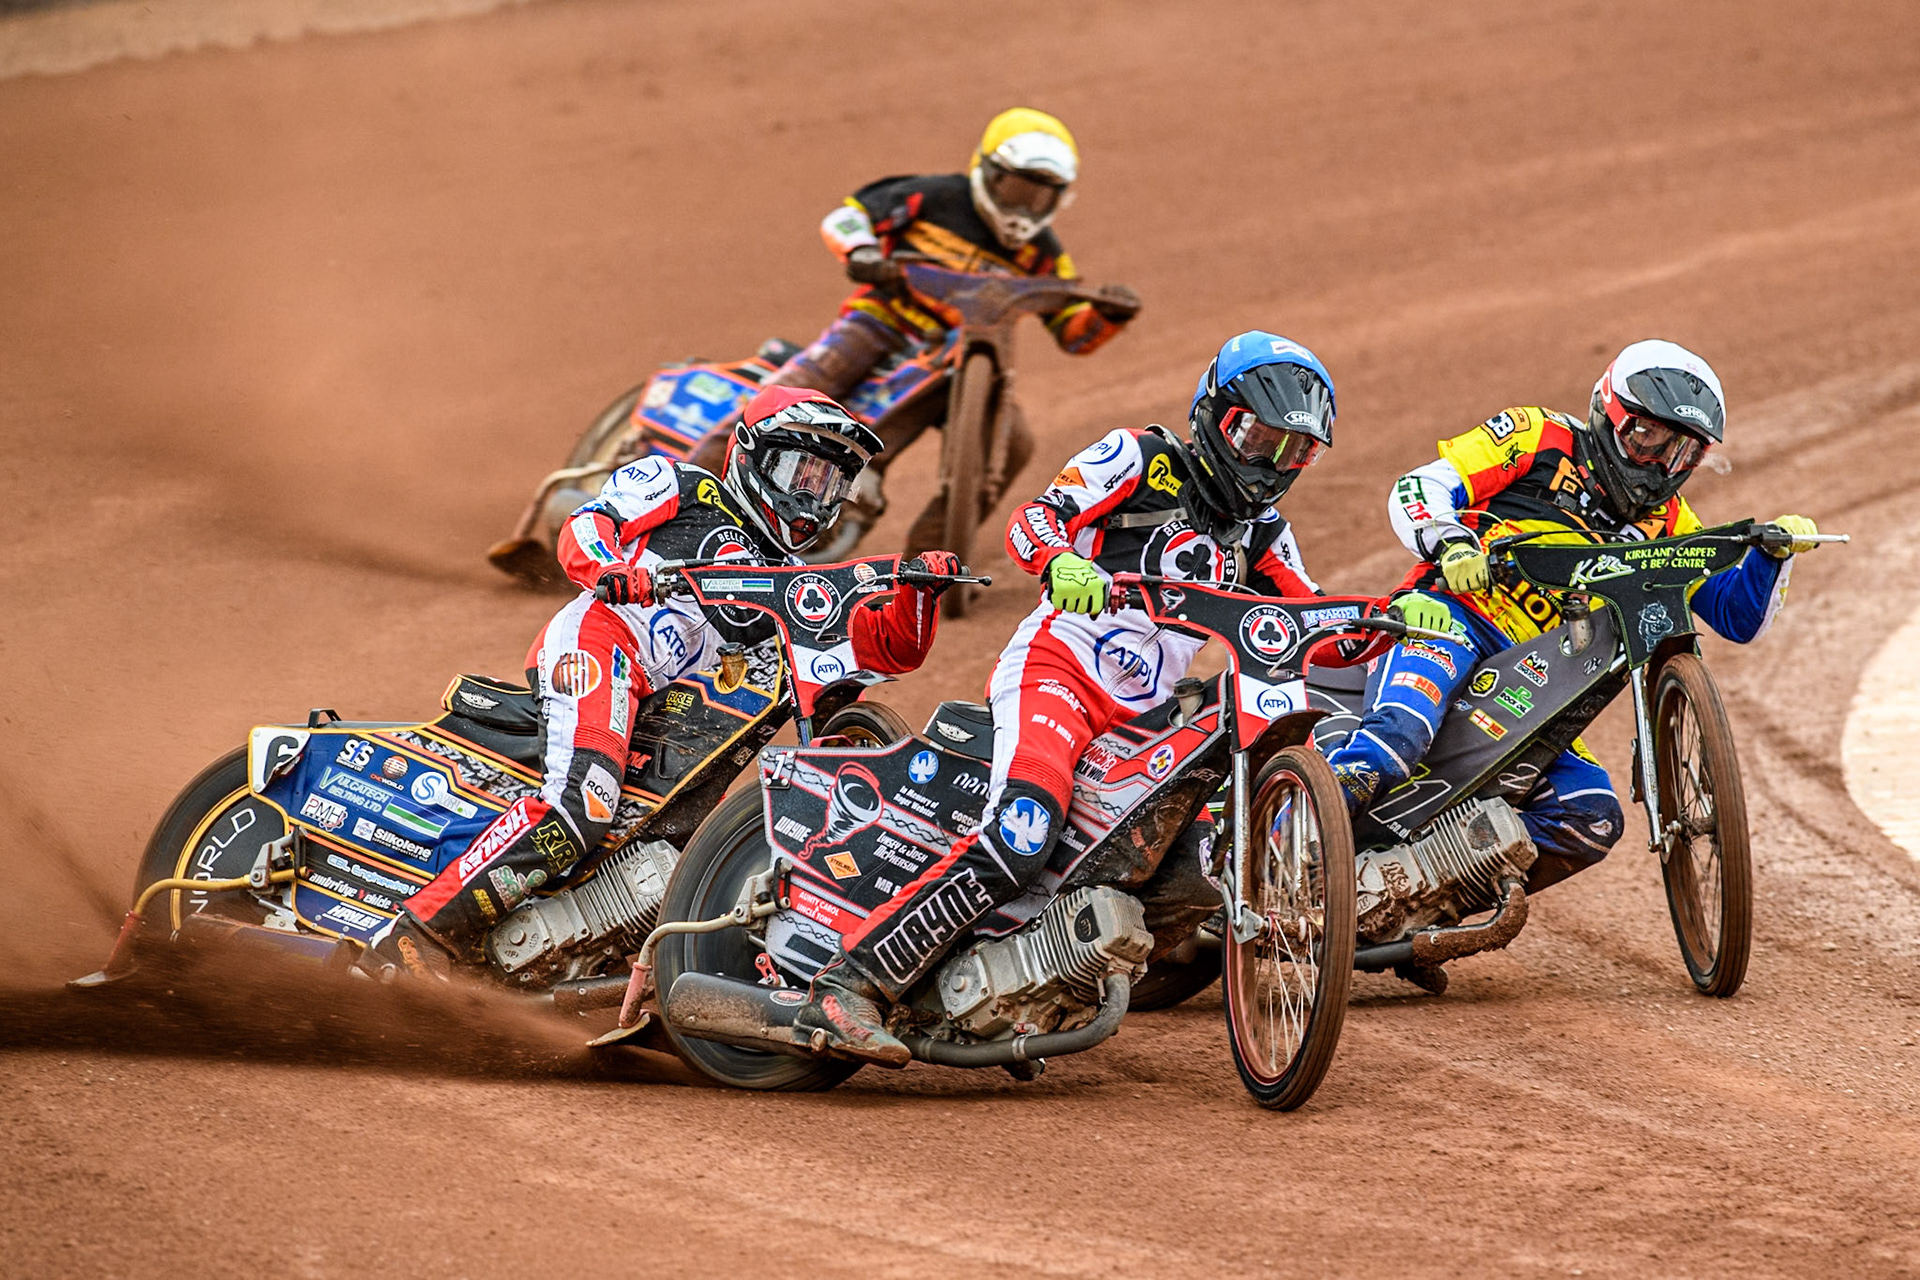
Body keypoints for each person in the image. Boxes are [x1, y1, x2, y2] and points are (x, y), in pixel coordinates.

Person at [789, 331, 1340, 1065]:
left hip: (1143, 717)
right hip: (1058, 671)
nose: (1270, 464)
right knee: (1022, 832)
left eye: (1295, 452)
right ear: (1215, 414)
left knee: (1192, 873)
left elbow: (1317, 624)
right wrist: (1060, 562)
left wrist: (1403, 615)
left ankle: (1037, 982)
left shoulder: (1265, 533)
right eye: (1259, 438)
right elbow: (1034, 520)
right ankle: (847, 985)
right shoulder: (1139, 456)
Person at [365, 387, 960, 978]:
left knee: (676, 848)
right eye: (798, 472)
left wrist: (919, 593)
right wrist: (611, 569)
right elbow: (586, 524)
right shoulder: (682, 484)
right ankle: (416, 935)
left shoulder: (794, 581)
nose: (811, 496)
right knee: (583, 802)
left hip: (671, 705)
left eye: (830, 483)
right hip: (602, 642)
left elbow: (883, 648)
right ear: (751, 452)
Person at [1322, 339, 1824, 926]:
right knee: (1392, 744)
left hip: (1540, 681)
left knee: (1590, 815)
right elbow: (1420, 486)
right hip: (1454, 621)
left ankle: (1409, 901)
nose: (1659, 465)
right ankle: (1279, 852)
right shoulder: (1537, 436)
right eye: (1647, 437)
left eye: (1682, 452)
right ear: (1608, 412)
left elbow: (1736, 616)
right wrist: (1451, 542)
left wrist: (1771, 557)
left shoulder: (1667, 521)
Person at [688, 107, 1141, 552]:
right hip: (881, 321)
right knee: (794, 393)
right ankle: (687, 493)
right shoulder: (934, 197)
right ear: (987, 171)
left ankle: (932, 562)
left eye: (1039, 197)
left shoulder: (1044, 254)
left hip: (967, 355)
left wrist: (1109, 316)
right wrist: (862, 251)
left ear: (1059, 200)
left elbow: (1072, 333)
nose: (1023, 208)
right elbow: (847, 217)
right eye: (1017, 189)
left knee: (1014, 443)